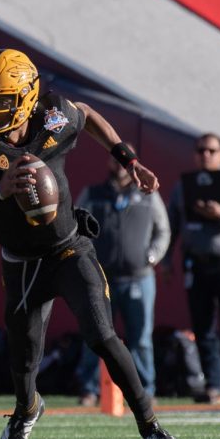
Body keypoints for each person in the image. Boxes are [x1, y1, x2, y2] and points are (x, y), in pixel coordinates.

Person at [0, 48, 184, 439]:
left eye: (1, 99)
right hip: (20, 263)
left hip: (69, 249)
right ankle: (27, 411)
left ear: (28, 97)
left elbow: (85, 113)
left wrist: (128, 159)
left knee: (103, 336)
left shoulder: (53, 117)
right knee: (24, 362)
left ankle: (152, 428)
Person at [74, 144, 170, 406]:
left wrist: (150, 257)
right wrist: (86, 260)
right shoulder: (93, 194)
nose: (118, 164)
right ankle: (89, 389)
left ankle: (145, 390)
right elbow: (74, 227)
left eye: (123, 160)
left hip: (139, 277)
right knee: (97, 336)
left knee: (140, 338)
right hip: (100, 278)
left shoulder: (148, 194)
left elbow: (163, 230)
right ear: (108, 162)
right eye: (114, 159)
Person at [165, 133, 220, 404]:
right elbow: (172, 224)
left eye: (211, 150)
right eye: (201, 150)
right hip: (196, 262)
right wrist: (165, 259)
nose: (205, 155)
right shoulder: (184, 187)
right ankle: (215, 387)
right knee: (203, 327)